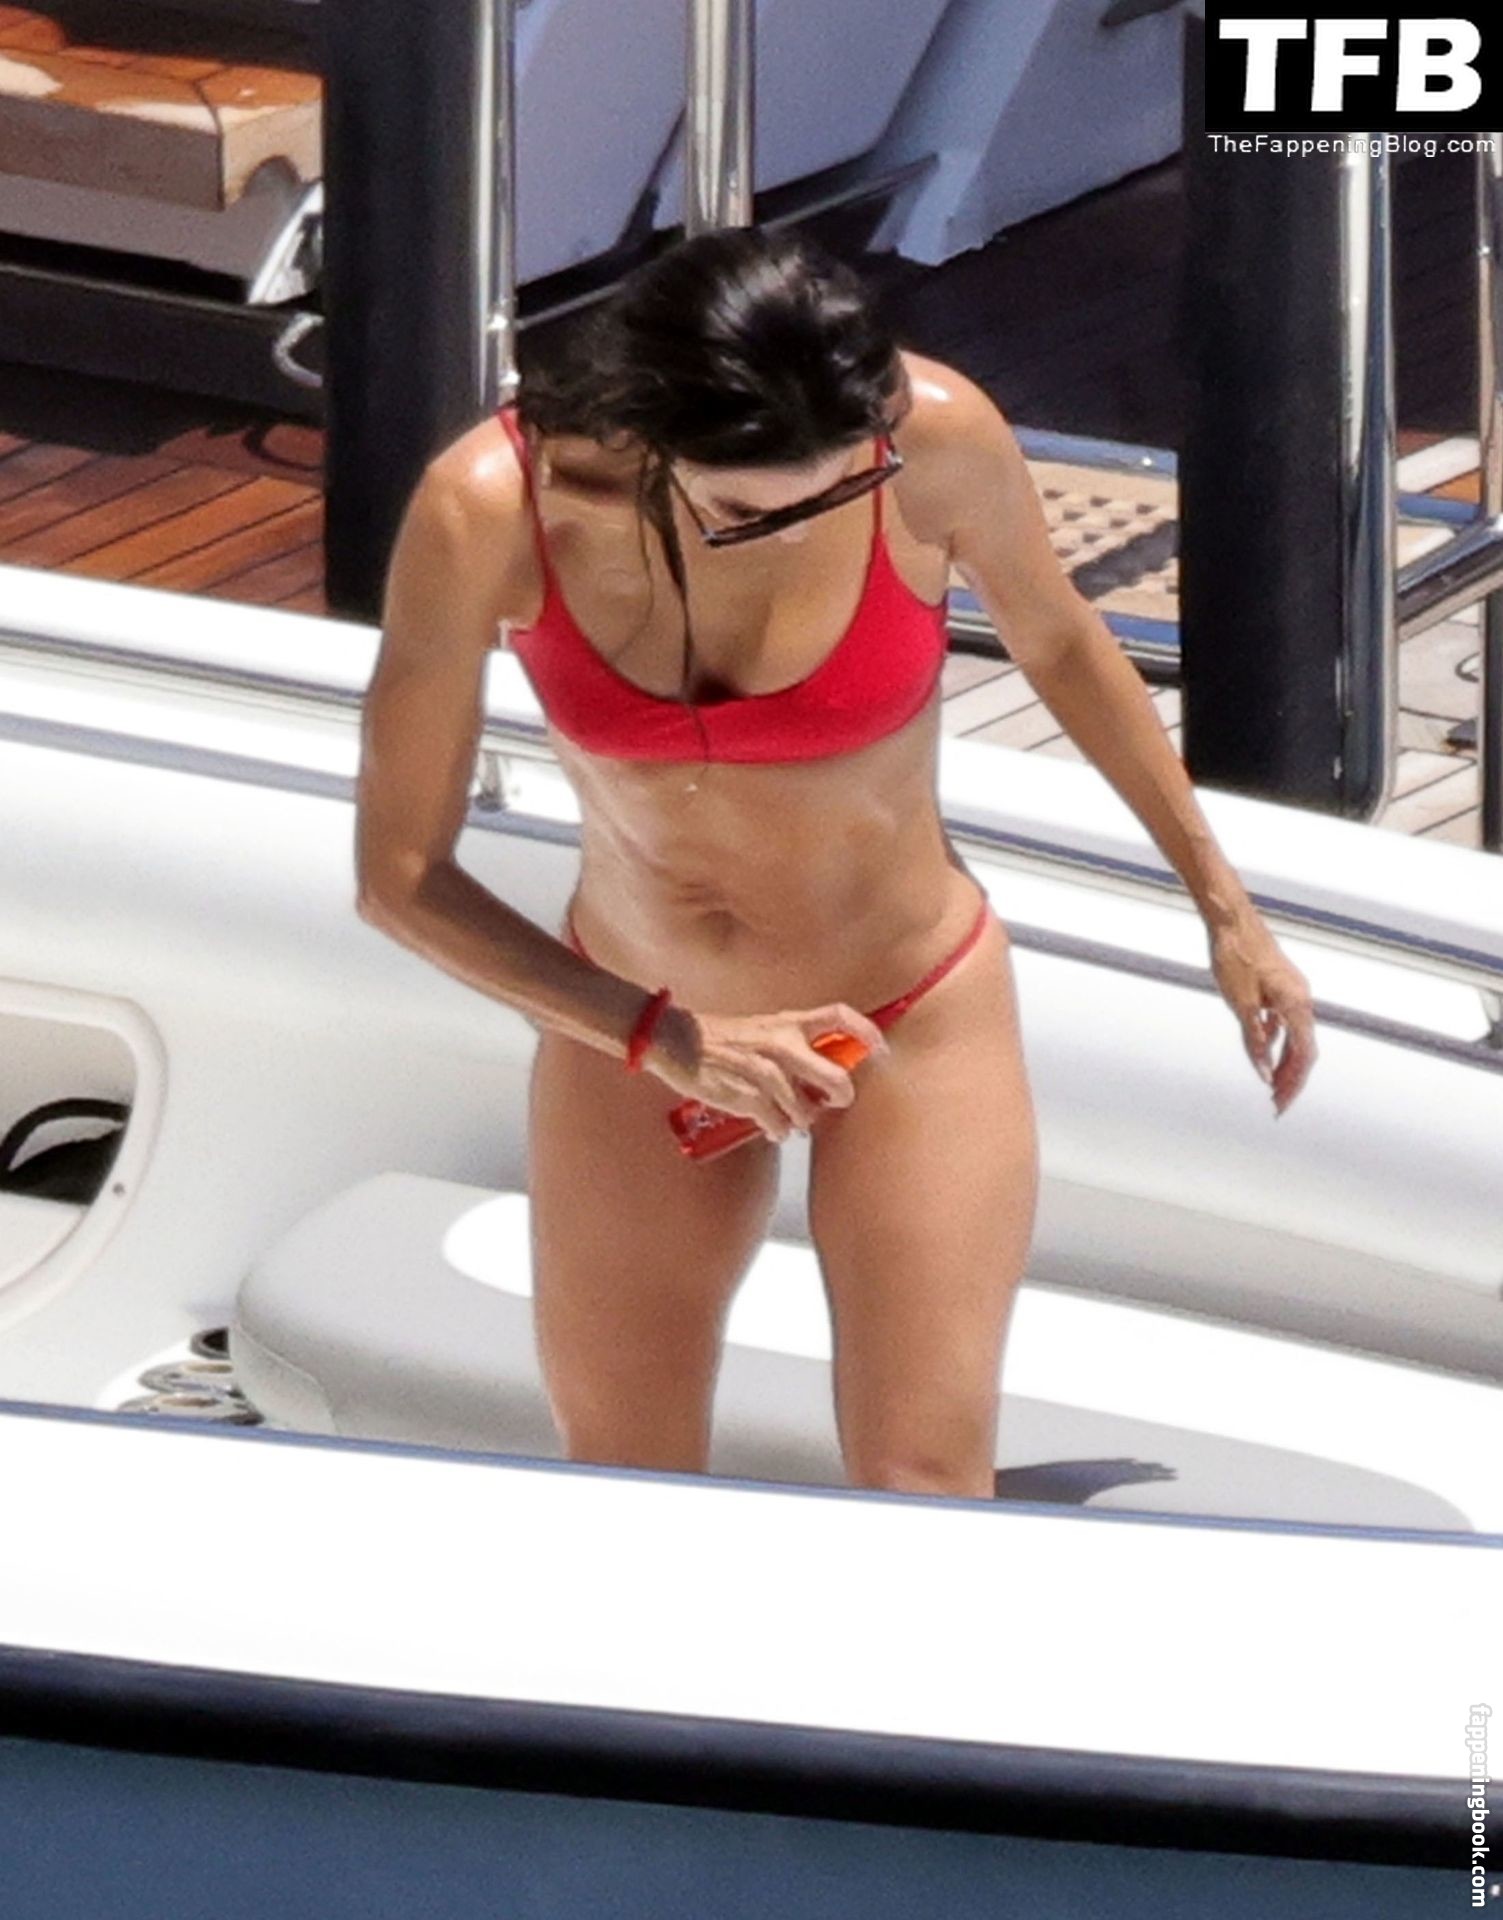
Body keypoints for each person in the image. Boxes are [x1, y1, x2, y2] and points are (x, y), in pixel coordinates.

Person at [355, 224, 1317, 1499]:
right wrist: (661, 1036)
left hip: (908, 1006)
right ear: (648, 435)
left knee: (924, 1482)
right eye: (747, 512)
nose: (795, 526)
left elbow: (1062, 644)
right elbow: (399, 877)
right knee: (624, 1478)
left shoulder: (935, 439)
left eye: (834, 490)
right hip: (640, 1018)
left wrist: (1226, 909)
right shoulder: (490, 506)